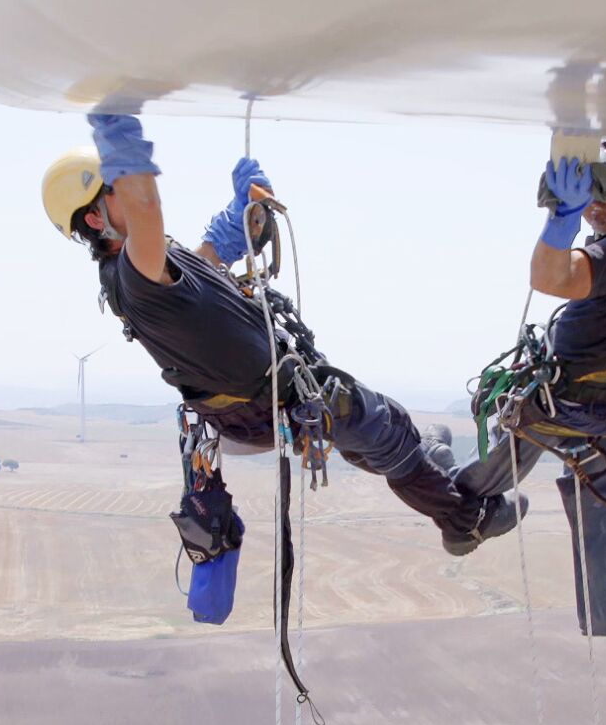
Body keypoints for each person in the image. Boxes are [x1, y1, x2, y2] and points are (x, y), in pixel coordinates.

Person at [40, 114, 523, 556]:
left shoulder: (145, 271)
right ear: (96, 218)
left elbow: (203, 269)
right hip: (267, 402)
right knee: (384, 427)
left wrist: (235, 221)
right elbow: (145, 204)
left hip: (266, 401)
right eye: (113, 190)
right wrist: (117, 129)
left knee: (376, 435)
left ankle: (432, 461)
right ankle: (466, 520)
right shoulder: (133, 275)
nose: (127, 195)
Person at [450, 138, 606, 634]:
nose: (596, 203)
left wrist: (562, 221)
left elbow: (550, 277)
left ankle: (454, 504)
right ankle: (605, 624)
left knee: (476, 483)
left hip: (566, 411)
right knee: (600, 510)